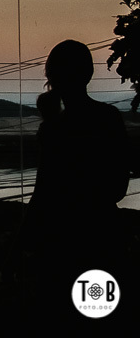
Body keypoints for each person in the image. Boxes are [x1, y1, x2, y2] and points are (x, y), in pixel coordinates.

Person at [25, 39, 131, 326]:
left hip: (59, 244)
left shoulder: (53, 129)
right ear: (87, 74)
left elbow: (42, 192)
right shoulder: (108, 119)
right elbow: (118, 187)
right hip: (103, 236)